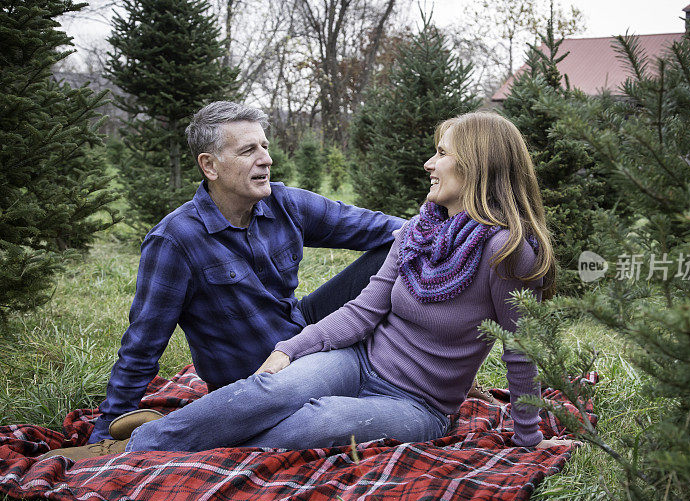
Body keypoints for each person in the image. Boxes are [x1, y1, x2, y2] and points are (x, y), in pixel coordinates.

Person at [58, 111, 568, 459]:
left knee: (310, 423)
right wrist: (292, 349)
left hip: (419, 405)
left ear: (477, 163)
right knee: (271, 389)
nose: (429, 164)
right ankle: (128, 447)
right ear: (209, 167)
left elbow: (521, 353)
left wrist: (527, 439)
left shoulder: (504, 253)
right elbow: (365, 311)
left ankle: (172, 436)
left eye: (441, 154)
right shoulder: (417, 232)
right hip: (350, 358)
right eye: (248, 149)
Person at [86, 101, 405, 444]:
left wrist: (457, 229)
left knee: (402, 245)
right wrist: (108, 428)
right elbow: (143, 342)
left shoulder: (285, 203)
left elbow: (381, 227)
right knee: (319, 422)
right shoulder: (175, 240)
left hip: (302, 334)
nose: (266, 159)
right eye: (249, 150)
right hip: (255, 376)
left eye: (265, 147)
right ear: (209, 166)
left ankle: (408, 361)